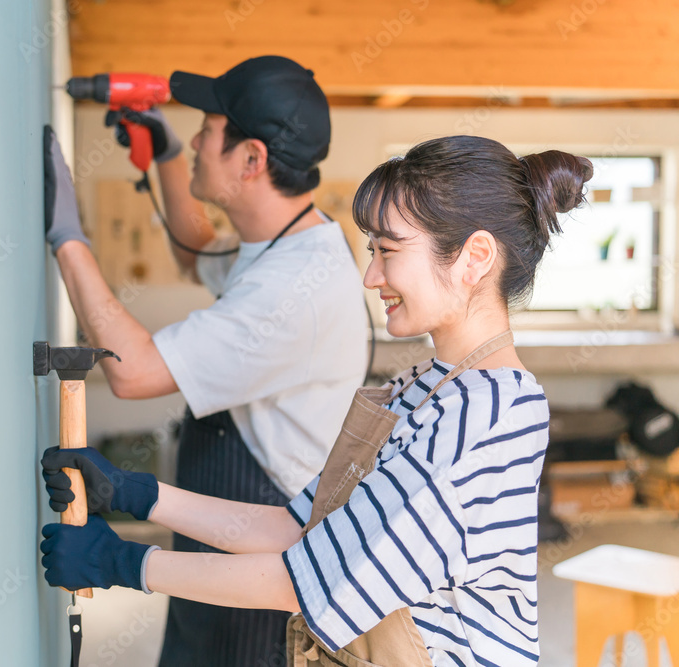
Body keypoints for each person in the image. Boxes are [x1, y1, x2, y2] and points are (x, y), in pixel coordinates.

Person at [41, 135, 594, 666]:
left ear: (474, 257)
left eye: (388, 250)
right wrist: (139, 493)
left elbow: (306, 582)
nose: (371, 274)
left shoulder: (488, 414)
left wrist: (126, 563)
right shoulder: (425, 383)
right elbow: (296, 528)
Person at [43, 55, 368, 665]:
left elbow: (132, 371)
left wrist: (69, 239)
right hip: (226, 528)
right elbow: (198, 255)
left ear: (251, 161)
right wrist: (167, 156)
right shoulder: (290, 242)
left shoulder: (292, 292)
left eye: (207, 129)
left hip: (263, 547)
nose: (195, 139)